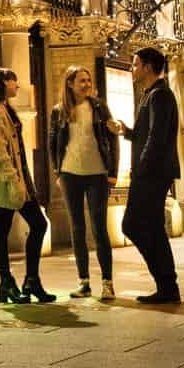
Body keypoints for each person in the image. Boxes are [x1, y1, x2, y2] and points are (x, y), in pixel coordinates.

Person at [47, 65, 124, 300]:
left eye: (88, 80)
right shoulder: (59, 111)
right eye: (81, 81)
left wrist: (113, 172)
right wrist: (58, 172)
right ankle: (84, 282)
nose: (86, 84)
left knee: (100, 228)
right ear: (69, 84)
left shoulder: (99, 108)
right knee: (77, 228)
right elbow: (53, 143)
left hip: (97, 173)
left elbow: (112, 140)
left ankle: (107, 282)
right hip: (70, 173)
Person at [0, 68, 54, 305]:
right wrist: (13, 180)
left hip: (19, 178)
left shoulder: (4, 108)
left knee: (33, 225)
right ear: (3, 82)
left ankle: (27, 280)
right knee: (8, 228)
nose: (18, 86)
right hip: (7, 181)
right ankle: (9, 281)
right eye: (15, 81)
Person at [122, 47, 181, 304]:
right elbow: (148, 135)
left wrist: (142, 169)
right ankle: (167, 285)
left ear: (147, 67)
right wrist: (128, 132)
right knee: (152, 227)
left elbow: (157, 139)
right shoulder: (152, 95)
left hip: (152, 173)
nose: (132, 69)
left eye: (135, 64)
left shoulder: (160, 95)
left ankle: (167, 283)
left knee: (133, 225)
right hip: (153, 171)